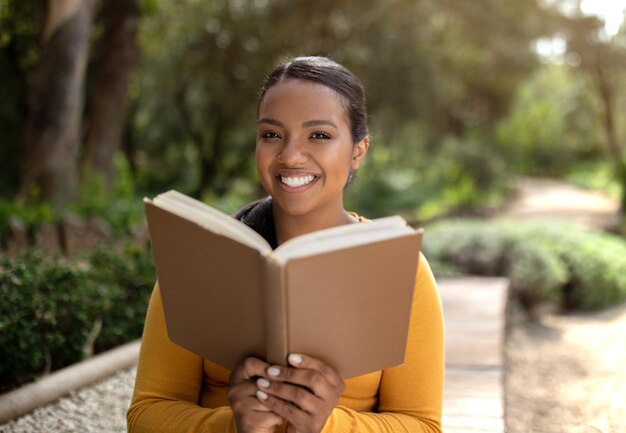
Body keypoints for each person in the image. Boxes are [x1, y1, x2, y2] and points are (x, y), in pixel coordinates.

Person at [127, 56, 444, 433]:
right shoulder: (201, 258)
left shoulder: (399, 271)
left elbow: (423, 425)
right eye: (272, 135)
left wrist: (328, 425)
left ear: (358, 150)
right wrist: (233, 425)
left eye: (320, 135)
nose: (290, 155)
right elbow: (146, 414)